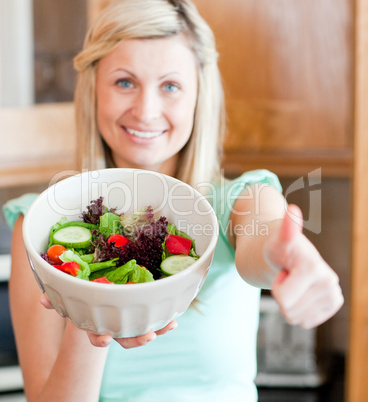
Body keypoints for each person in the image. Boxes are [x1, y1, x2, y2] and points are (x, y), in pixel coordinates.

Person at [4, 0, 344, 401]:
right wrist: (88, 308)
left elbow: (263, 234)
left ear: (199, 97)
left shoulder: (238, 200)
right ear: (94, 89)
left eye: (170, 86)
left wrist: (287, 258)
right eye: (125, 82)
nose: (147, 111)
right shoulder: (40, 225)